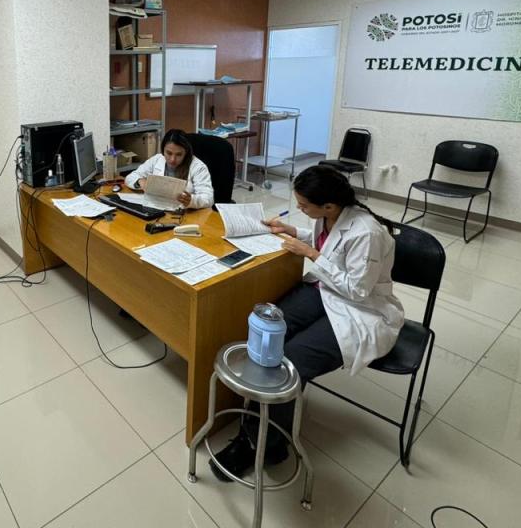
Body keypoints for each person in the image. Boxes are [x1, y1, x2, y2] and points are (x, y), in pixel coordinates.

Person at [211, 164, 403, 480]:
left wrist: (311, 254)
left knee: (290, 360)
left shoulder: (367, 233)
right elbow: (326, 244)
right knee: (266, 331)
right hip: (325, 292)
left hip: (360, 311)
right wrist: (292, 231)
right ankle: (259, 415)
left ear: (328, 205)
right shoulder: (330, 215)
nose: (300, 209)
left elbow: (357, 290)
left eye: (303, 206)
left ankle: (266, 444)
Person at [124, 129, 214, 209]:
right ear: (163, 150)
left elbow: (208, 198)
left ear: (186, 153)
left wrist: (192, 200)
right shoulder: (157, 159)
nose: (172, 159)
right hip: (157, 208)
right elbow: (130, 177)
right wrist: (140, 181)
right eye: (169, 153)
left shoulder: (198, 167)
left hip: (185, 213)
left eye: (179, 154)